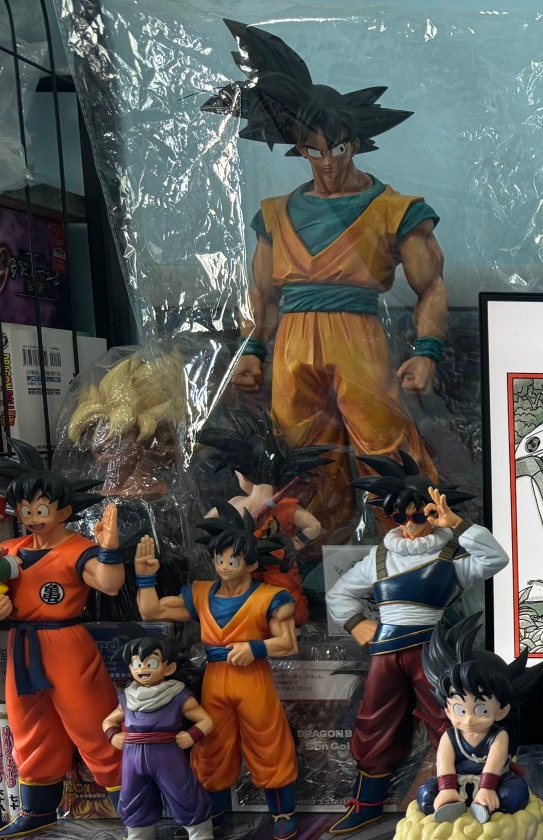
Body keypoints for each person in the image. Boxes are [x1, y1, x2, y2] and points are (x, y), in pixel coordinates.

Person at [203, 20, 444, 529]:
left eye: (338, 149)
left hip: (359, 337)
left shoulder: (396, 209)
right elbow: (262, 294)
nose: (328, 163)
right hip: (292, 342)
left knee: (385, 444)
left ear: (355, 144)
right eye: (314, 151)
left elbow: (431, 287)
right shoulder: (274, 214)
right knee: (300, 457)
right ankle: (310, 556)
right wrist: (251, 350)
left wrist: (427, 352)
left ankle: (417, 546)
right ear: (299, 148)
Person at [325, 453, 508, 833]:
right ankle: (368, 802)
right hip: (385, 653)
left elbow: (495, 559)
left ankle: (464, 795)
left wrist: (456, 523)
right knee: (375, 722)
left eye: (419, 515)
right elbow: (339, 594)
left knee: (451, 721)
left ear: (432, 513)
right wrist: (358, 623)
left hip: (432, 653)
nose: (410, 524)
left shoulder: (452, 557)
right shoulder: (378, 557)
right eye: (400, 516)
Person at [0, 440, 125, 840]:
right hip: (23, 646)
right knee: (30, 726)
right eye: (25, 510)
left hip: (67, 645)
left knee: (93, 722)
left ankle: (135, 808)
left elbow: (109, 584)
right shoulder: (8, 551)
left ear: (63, 511)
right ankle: (38, 810)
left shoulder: (78, 549)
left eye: (40, 509)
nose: (32, 518)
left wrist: (110, 548)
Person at [133, 509, 301, 840]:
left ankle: (283, 812)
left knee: (269, 742)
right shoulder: (201, 594)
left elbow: (288, 643)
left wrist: (256, 647)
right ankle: (211, 813)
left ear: (251, 564)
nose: (223, 566)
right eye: (219, 559)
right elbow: (151, 610)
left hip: (253, 679)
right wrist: (145, 577)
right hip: (215, 678)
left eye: (232, 560)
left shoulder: (270, 597)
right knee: (211, 746)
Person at [197, 407, 336, 624]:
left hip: (251, 568)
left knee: (265, 602)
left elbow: (207, 524)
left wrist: (219, 546)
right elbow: (314, 526)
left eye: (237, 475)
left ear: (244, 475)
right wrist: (295, 544)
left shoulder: (236, 505)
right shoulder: (281, 506)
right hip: (265, 568)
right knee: (279, 602)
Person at [415, 614, 543, 824]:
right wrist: (446, 788)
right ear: (448, 710)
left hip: (494, 782)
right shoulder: (450, 736)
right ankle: (452, 804)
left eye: (482, 710)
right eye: (460, 709)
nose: (469, 719)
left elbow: (494, 763)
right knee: (426, 795)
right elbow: (444, 762)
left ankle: (482, 806)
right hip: (455, 782)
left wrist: (487, 788)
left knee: (514, 794)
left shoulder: (498, 736)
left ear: (501, 711)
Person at [102, 636, 216, 840]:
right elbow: (109, 720)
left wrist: (191, 735)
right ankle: (139, 836)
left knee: (182, 791)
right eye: (137, 663)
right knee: (133, 794)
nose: (143, 669)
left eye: (151, 663)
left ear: (169, 667)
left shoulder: (178, 695)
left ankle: (200, 833)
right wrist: (112, 735)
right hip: (133, 755)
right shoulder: (128, 697)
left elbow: (206, 721)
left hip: (166, 752)